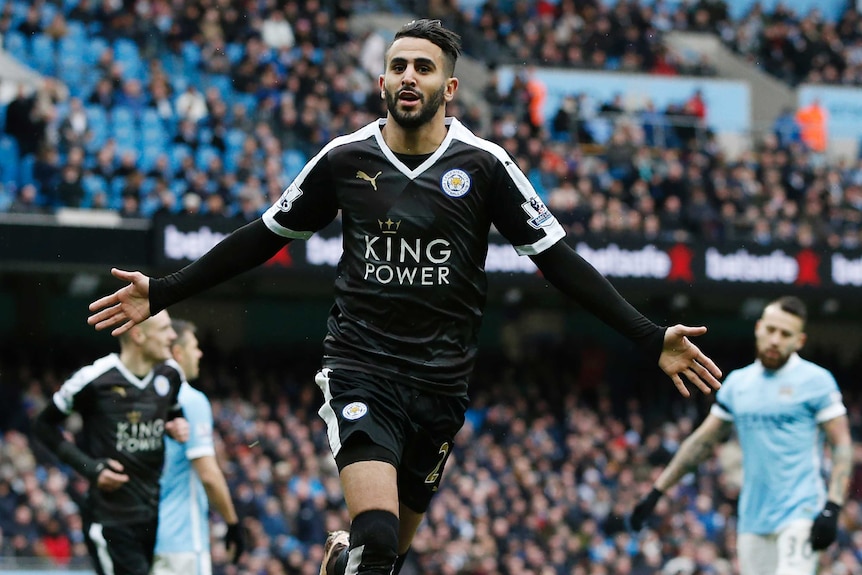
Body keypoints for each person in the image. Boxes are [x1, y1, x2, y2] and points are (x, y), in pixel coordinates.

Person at [86, 19, 722, 575]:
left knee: (383, 560)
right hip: (362, 366)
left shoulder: (484, 165)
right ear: (382, 82)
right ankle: (358, 548)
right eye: (397, 66)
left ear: (449, 88)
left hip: (443, 383)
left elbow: (557, 261)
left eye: (423, 67)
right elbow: (262, 238)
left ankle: (345, 560)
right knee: (380, 535)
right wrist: (165, 291)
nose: (408, 76)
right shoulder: (344, 159)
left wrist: (647, 335)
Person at [629, 296, 852, 575]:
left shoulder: (817, 382)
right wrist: (656, 491)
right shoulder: (738, 384)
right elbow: (701, 442)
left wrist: (832, 507)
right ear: (758, 328)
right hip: (752, 520)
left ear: (800, 341)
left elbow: (842, 445)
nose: (775, 339)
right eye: (771, 330)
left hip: (801, 513)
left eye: (785, 334)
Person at [32, 311, 190, 575]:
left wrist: (177, 425)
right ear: (138, 335)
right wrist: (90, 468)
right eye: (165, 329)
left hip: (150, 515)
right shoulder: (94, 379)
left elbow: (173, 414)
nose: (173, 336)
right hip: (110, 519)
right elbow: (43, 426)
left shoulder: (170, 375)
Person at [152, 319, 245, 575]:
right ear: (178, 353)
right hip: (182, 542)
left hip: (146, 538)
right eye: (195, 347)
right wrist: (232, 523)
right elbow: (208, 474)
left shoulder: (145, 396)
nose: (200, 353)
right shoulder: (190, 399)